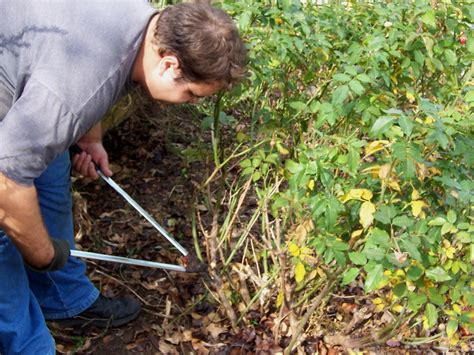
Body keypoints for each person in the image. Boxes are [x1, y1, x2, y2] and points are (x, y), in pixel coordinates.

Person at [0, 0, 246, 353]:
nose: (191, 103)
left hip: (27, 93)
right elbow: (6, 181)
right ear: (168, 63)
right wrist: (41, 253)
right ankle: (28, 346)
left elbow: (80, 73)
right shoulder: (75, 86)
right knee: (6, 236)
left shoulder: (142, 24)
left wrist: (89, 135)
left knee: (49, 170)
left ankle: (64, 299)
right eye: (192, 94)